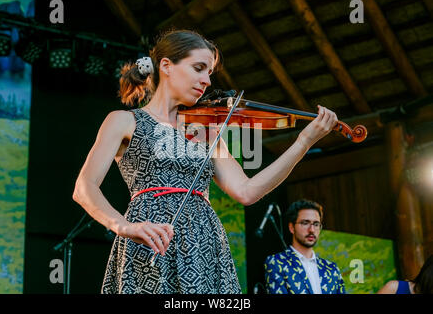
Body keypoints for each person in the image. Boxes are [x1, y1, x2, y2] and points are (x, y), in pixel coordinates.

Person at [72, 29, 339, 294]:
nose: (207, 81)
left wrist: (303, 143)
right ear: (167, 66)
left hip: (205, 243)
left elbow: (247, 191)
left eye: (209, 73)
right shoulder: (124, 121)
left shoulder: (204, 131)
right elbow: (84, 187)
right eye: (198, 68)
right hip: (151, 240)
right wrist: (125, 227)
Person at [264, 199, 346, 294]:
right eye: (305, 223)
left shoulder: (331, 268)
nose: (311, 229)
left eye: (316, 224)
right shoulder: (277, 262)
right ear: (291, 227)